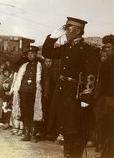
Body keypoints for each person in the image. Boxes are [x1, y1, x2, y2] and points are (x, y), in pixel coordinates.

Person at [42, 17, 100, 157]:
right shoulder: (66, 48)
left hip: (76, 95)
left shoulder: (87, 49)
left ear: (78, 30)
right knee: (66, 131)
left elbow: (91, 74)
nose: (66, 31)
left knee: (76, 132)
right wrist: (52, 37)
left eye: (68, 28)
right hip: (63, 95)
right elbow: (47, 53)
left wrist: (87, 95)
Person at [12, 45, 44, 143]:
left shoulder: (40, 64)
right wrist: (22, 56)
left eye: (32, 53)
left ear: (36, 54)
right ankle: (26, 133)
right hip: (24, 92)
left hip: (35, 93)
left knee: (33, 113)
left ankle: (33, 135)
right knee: (25, 112)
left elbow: (44, 78)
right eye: (28, 53)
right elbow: (13, 66)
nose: (30, 55)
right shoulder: (24, 64)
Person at [99, 34, 114, 157]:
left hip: (110, 98)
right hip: (106, 97)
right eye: (105, 47)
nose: (106, 50)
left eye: (109, 47)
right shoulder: (106, 62)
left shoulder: (109, 62)